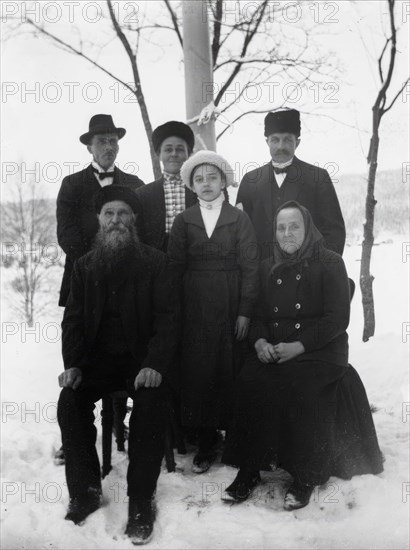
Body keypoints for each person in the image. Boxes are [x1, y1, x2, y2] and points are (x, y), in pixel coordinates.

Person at [222, 201, 383, 509]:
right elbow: (257, 315)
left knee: (301, 385)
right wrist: (259, 343)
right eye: (281, 227)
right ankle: (249, 469)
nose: (287, 233)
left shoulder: (331, 262)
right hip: (277, 347)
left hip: (321, 349)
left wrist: (300, 346)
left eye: (294, 226)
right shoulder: (268, 265)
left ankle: (305, 476)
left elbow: (337, 319)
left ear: (308, 228)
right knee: (250, 380)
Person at [57, 186, 179, 544]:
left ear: (134, 220)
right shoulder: (84, 266)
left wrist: (154, 364)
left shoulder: (156, 263)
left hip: (141, 363)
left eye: (123, 214)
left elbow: (168, 321)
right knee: (70, 401)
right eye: (109, 214)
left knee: (152, 402)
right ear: (99, 220)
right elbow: (73, 322)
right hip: (96, 363)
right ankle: (85, 493)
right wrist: (75, 365)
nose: (115, 221)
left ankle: (141, 500)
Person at [167, 151, 259, 474]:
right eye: (199, 179)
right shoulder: (183, 220)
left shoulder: (239, 218)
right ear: (191, 185)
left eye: (212, 177)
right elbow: (175, 269)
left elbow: (250, 268)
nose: (206, 184)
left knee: (230, 366)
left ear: (223, 181)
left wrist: (245, 311)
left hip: (231, 302)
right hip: (195, 308)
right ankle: (206, 441)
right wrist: (177, 314)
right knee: (199, 370)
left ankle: (234, 439)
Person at [57, 114, 144, 307]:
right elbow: (66, 234)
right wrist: (95, 266)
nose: (109, 146)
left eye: (113, 141)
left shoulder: (135, 184)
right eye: (102, 141)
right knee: (82, 333)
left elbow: (142, 230)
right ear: (89, 147)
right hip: (84, 277)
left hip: (126, 278)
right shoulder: (72, 184)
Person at [236, 109, 346, 259]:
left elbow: (334, 232)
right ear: (267, 142)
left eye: (287, 140)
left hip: (307, 276)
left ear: (297, 142)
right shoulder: (250, 180)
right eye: (275, 140)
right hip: (262, 277)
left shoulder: (318, 177)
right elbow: (241, 234)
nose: (281, 146)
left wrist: (321, 271)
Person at [135, 121, 197, 252]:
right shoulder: (142, 195)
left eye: (180, 149)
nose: (174, 154)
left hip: (195, 264)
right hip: (156, 265)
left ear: (189, 154)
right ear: (159, 154)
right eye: (168, 149)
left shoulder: (202, 192)